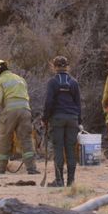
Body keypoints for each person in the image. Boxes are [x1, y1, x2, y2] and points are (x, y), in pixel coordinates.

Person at [0, 60, 39, 174]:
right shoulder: (20, 79)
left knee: (4, 139)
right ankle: (32, 169)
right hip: (25, 111)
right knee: (26, 139)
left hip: (10, 112)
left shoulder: (0, 81)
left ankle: (0, 169)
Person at [42, 56, 82, 187]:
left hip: (57, 119)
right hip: (73, 119)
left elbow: (49, 102)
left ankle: (59, 181)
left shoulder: (52, 82)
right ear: (67, 66)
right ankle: (71, 182)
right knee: (71, 149)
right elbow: (78, 103)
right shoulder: (74, 82)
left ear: (54, 67)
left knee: (58, 148)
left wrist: (45, 118)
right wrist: (79, 121)